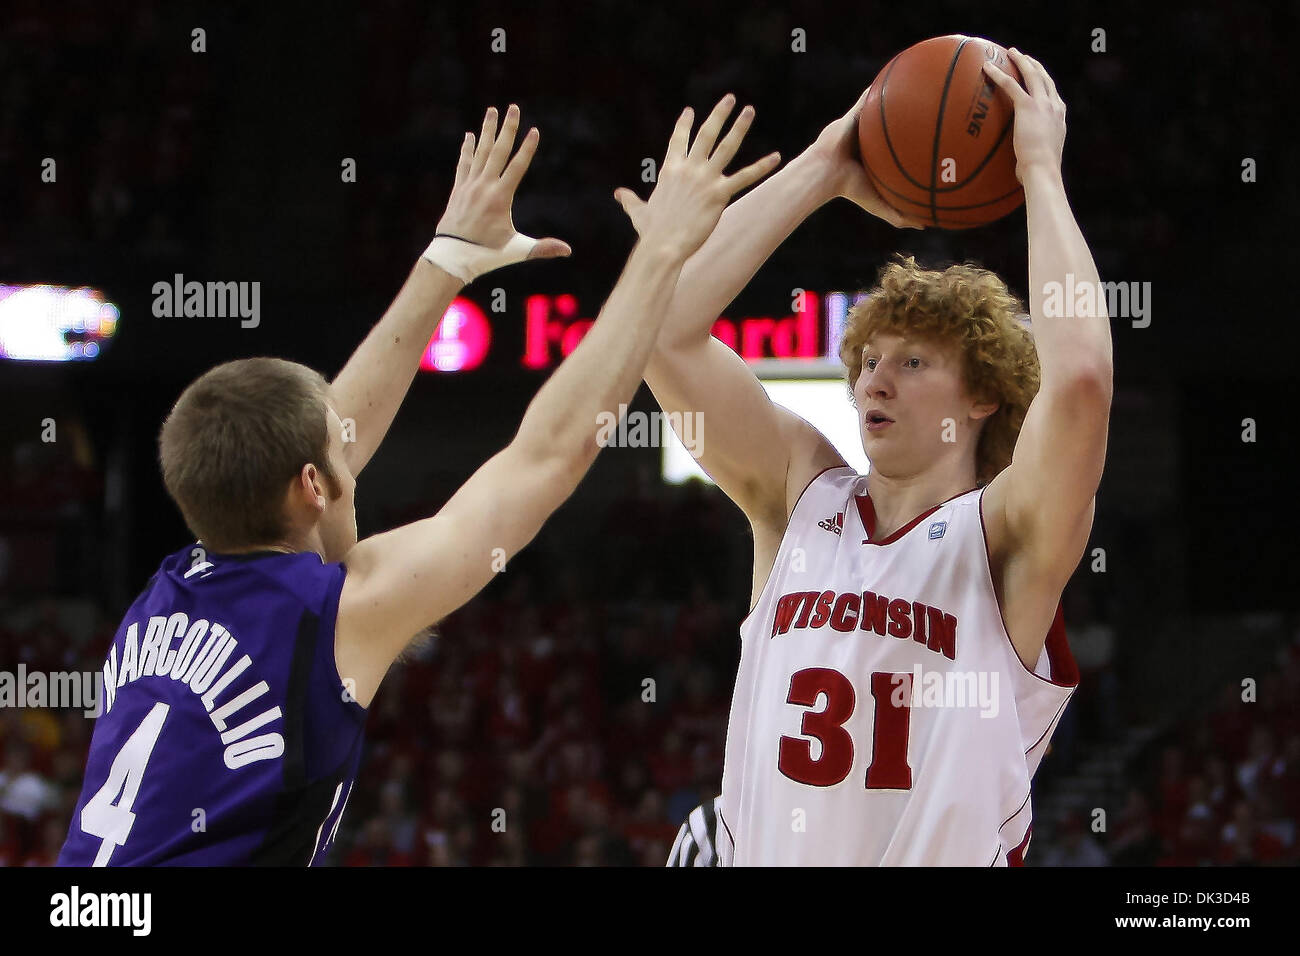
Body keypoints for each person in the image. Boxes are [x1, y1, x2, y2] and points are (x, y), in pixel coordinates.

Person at [58, 97, 779, 866]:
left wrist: (450, 258)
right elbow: (546, 456)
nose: (351, 442)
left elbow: (324, 438)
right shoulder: (335, 617)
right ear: (312, 484)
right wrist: (661, 254)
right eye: (338, 450)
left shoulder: (161, 596)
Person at [645, 50, 1110, 865]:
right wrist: (824, 165)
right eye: (867, 361)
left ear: (983, 398)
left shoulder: (1005, 533)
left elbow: (1078, 382)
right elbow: (658, 333)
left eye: (912, 362)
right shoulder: (800, 493)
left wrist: (1038, 168)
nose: (875, 380)